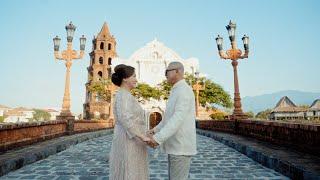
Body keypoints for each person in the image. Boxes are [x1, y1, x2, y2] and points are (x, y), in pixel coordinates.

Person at [147, 61, 197, 180]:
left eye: (167, 72)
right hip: (175, 147)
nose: (165, 75)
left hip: (181, 147)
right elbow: (167, 119)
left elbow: (177, 119)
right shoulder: (176, 90)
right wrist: (154, 131)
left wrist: (158, 138)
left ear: (177, 71)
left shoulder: (184, 90)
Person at [109, 64, 150, 180]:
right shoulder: (123, 95)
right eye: (134, 76)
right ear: (125, 78)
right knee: (129, 170)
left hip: (132, 138)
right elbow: (124, 118)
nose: (136, 79)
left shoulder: (125, 95)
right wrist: (142, 136)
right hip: (129, 139)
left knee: (133, 169)